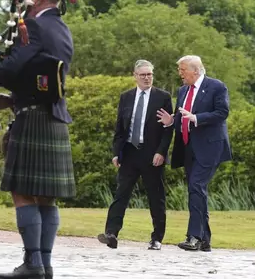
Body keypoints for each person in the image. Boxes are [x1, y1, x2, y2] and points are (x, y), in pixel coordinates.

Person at [0, 0, 74, 279]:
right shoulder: (62, 29)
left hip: (33, 118)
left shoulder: (33, 25)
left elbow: (18, 61)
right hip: (54, 115)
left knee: (21, 191)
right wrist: (12, 99)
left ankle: (32, 264)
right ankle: (44, 264)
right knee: (46, 195)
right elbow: (40, 73)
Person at [157, 55, 231, 252]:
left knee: (196, 186)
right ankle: (204, 240)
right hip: (188, 148)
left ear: (195, 70)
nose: (180, 73)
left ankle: (194, 237)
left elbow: (222, 113)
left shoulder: (216, 86)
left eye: (183, 70)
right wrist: (171, 121)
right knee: (196, 189)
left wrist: (197, 117)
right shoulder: (182, 91)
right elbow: (182, 118)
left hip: (210, 147)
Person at [97, 60, 173, 250]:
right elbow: (120, 129)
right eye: (143, 75)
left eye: (150, 74)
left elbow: (167, 129)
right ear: (135, 76)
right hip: (129, 153)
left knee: (156, 197)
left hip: (152, 154)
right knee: (121, 194)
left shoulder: (162, 97)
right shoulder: (126, 97)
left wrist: (161, 152)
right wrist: (116, 153)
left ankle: (157, 238)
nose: (147, 78)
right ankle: (111, 233)